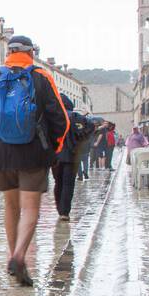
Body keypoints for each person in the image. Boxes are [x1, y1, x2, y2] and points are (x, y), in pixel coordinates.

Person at [0, 35, 69, 286]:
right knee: (31, 208)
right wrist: (54, 148)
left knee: (11, 206)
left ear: (8, 52)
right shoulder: (41, 76)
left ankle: (11, 252)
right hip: (34, 150)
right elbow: (60, 118)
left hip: (2, 150)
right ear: (31, 53)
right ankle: (18, 256)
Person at [53, 94, 90, 222]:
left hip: (56, 154)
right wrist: (80, 140)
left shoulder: (54, 116)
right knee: (68, 183)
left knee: (58, 182)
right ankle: (65, 211)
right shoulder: (77, 117)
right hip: (73, 154)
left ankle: (60, 208)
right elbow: (90, 127)